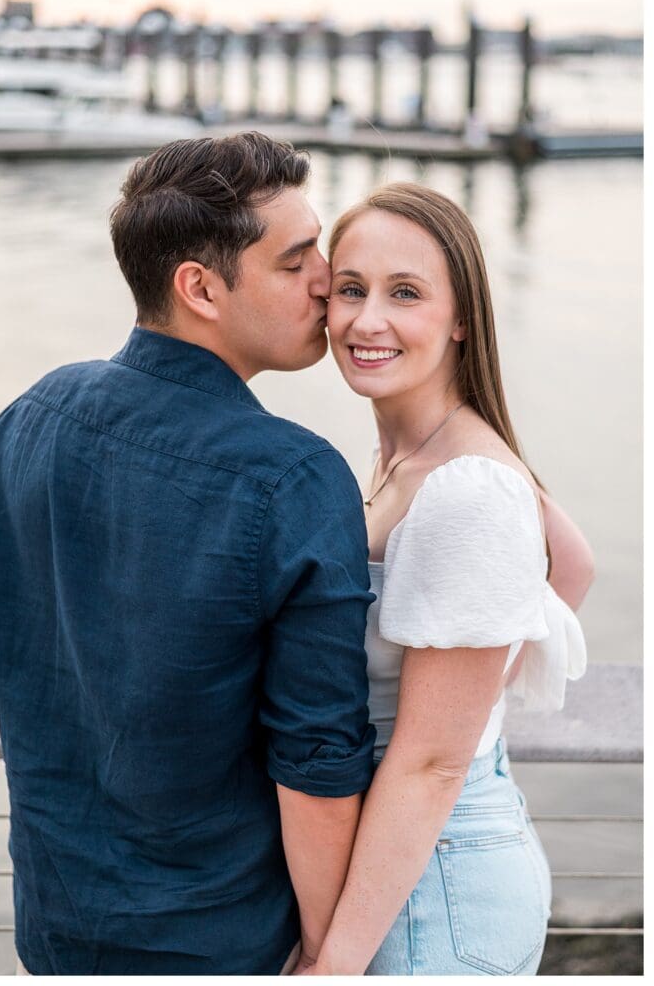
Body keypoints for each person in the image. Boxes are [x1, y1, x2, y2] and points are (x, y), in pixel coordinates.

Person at [0, 133, 377, 975]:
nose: (328, 281)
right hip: (219, 935)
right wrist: (323, 950)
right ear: (198, 286)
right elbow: (315, 759)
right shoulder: (292, 476)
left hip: (52, 920)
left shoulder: (24, 418)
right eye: (295, 259)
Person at [297, 183, 594, 975]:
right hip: (409, 855)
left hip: (435, 879)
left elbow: (430, 765)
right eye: (351, 290)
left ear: (460, 318)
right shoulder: (414, 457)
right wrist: (473, 690)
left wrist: (333, 966)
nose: (366, 321)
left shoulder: (466, 487)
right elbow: (573, 564)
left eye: (405, 294)